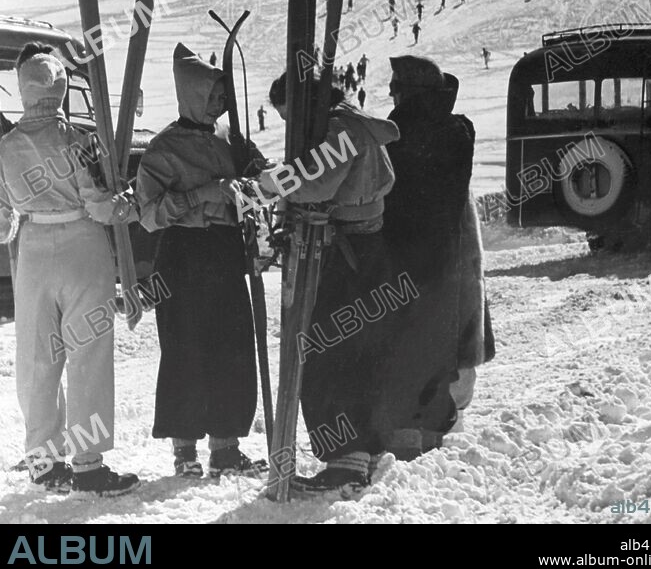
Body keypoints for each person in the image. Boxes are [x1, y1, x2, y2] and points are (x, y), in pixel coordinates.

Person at [0, 44, 139, 496]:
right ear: (59, 88)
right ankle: (89, 465)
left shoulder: (4, 148)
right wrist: (125, 204)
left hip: (33, 251)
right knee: (88, 354)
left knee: (39, 358)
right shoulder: (79, 141)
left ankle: (43, 460)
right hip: (83, 248)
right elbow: (99, 206)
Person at [260, 74, 402, 493]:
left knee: (328, 353)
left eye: (290, 118)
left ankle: (346, 459)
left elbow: (315, 183)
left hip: (346, 253)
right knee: (356, 352)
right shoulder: (356, 123)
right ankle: (363, 451)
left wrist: (267, 184)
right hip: (366, 247)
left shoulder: (340, 130)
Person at [136, 45, 266, 480]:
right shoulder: (163, 147)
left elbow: (261, 181)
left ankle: (226, 449)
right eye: (213, 94)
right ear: (192, 94)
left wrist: (251, 183)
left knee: (231, 347)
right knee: (184, 349)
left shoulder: (231, 138)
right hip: (182, 255)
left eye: (223, 95)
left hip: (225, 252)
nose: (221, 102)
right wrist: (200, 195)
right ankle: (185, 452)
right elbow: (149, 214)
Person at [382, 57, 494, 460]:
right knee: (439, 349)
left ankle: (406, 439)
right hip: (447, 259)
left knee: (402, 350)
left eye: (397, 88)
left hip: (398, 256)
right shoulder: (457, 130)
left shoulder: (394, 134)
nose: (391, 94)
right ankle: (430, 436)